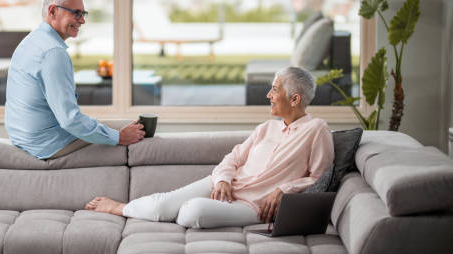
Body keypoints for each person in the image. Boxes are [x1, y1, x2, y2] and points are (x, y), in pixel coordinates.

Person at [86, 66, 334, 228]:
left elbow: (321, 178)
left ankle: (160, 211)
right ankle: (118, 208)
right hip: (222, 187)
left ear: (294, 99)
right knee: (164, 204)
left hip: (251, 206)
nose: (269, 94)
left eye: (274, 89)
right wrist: (224, 179)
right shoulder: (266, 128)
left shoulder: (317, 129)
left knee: (190, 213)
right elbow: (233, 158)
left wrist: (284, 188)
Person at [5, 0, 144, 159]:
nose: (83, 20)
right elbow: (69, 120)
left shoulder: (32, 41)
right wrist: (118, 137)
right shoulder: (53, 52)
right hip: (46, 144)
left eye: (83, 14)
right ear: (53, 11)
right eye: (76, 13)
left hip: (24, 138)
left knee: (121, 127)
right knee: (125, 134)